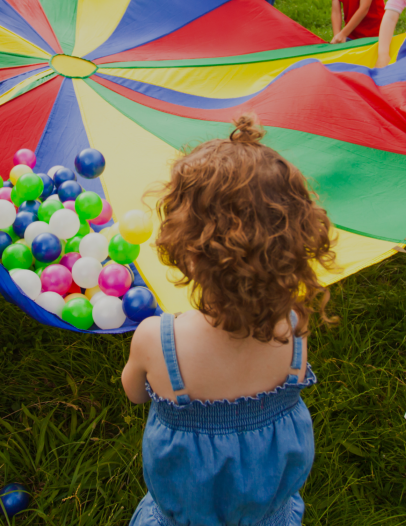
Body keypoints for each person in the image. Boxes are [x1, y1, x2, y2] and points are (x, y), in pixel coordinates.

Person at [122, 115, 335, 526]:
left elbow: (134, 393)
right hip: (266, 513)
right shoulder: (293, 327)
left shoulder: (157, 338)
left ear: (185, 249)